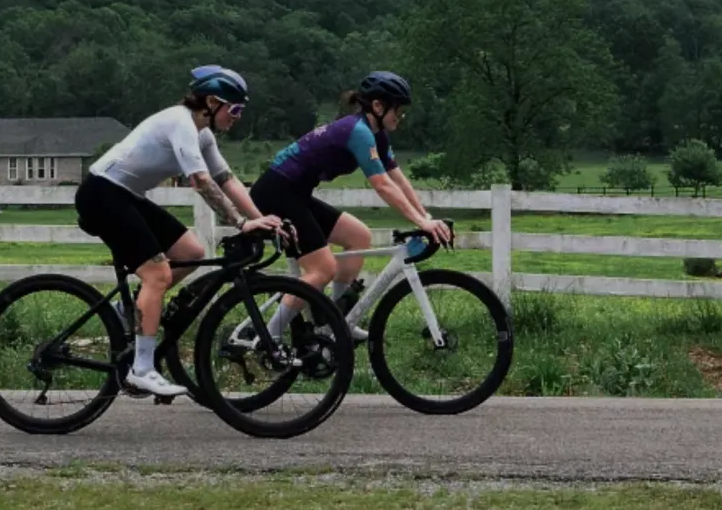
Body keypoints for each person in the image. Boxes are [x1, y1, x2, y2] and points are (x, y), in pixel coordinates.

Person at [75, 65, 284, 397]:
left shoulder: (203, 134)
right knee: (157, 275)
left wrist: (263, 220)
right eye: (235, 109)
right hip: (102, 194)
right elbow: (201, 181)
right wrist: (241, 224)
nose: (238, 116)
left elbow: (226, 180)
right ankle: (141, 370)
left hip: (126, 196)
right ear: (212, 102)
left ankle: (131, 313)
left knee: (191, 253)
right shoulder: (180, 123)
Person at [245, 71, 452, 342]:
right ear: (378, 106)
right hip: (276, 192)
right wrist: (422, 223)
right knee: (322, 270)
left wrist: (425, 217)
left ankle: (334, 321)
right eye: (397, 110)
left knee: (359, 237)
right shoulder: (358, 132)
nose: (400, 116)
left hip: (295, 192)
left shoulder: (376, 134)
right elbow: (382, 186)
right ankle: (267, 337)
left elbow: (397, 179)